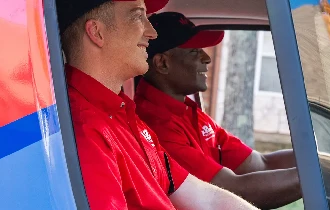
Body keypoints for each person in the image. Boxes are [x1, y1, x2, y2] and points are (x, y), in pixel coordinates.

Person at [56, 0, 259, 209]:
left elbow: (207, 199)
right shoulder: (82, 131)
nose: (152, 32)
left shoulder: (123, 115)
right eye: (137, 16)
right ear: (97, 32)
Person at [134, 11, 302, 209]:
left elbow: (261, 163)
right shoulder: (156, 125)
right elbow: (232, 191)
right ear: (162, 63)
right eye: (194, 51)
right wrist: (316, 174)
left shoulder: (187, 112)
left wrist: (323, 163)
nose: (206, 58)